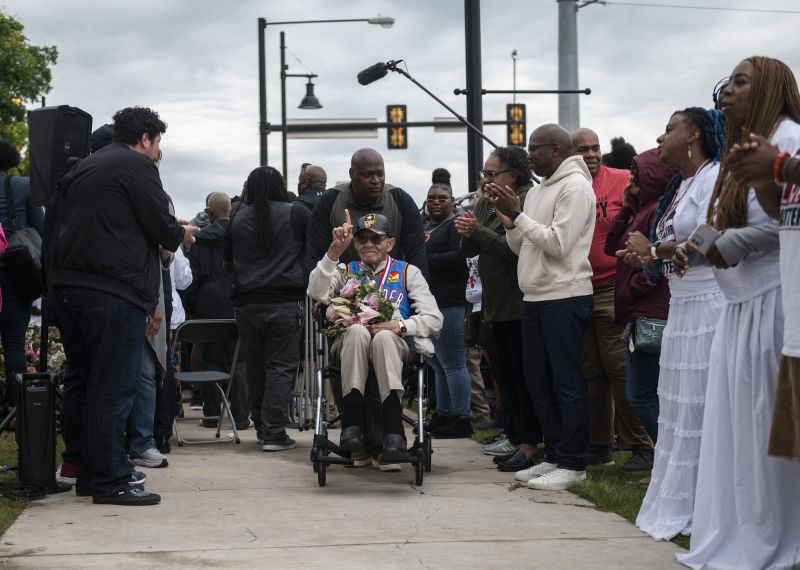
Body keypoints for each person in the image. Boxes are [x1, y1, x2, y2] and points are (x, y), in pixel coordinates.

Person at [677, 57, 800, 570]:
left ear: (769, 87)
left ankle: (777, 540)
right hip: (739, 304)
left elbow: (785, 224)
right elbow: (717, 220)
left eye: (740, 82)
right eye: (725, 84)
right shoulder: (743, 148)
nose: (726, 92)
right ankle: (746, 535)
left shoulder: (789, 139)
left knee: (772, 437)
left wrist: (729, 243)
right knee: (742, 436)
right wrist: (693, 246)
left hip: (774, 302)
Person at [50, 107, 198, 506]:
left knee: (81, 381)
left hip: (68, 288)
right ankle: (111, 479)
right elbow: (160, 226)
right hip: (113, 293)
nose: (156, 154)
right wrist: (181, 232)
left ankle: (83, 468)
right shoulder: (137, 166)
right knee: (113, 386)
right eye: (157, 145)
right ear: (146, 138)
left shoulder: (85, 167)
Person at [619, 107, 725, 540]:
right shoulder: (684, 183)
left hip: (707, 301)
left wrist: (656, 252)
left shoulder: (715, 176)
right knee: (679, 405)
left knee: (701, 405)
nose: (660, 140)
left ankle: (708, 502)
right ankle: (683, 498)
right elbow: (679, 240)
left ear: (695, 133)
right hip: (682, 302)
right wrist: (649, 253)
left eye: (669, 130)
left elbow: (712, 232)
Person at [489, 124, 595, 491]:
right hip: (534, 296)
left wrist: (518, 216)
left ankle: (573, 462)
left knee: (566, 381)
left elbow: (559, 244)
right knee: (538, 380)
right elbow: (525, 247)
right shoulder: (537, 191)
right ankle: (553, 454)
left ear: (556, 150)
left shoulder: (575, 187)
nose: (528, 155)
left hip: (565, 294)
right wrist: (509, 221)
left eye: (534, 149)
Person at [307, 212, 442, 463]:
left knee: (383, 338)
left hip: (395, 347)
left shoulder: (406, 272)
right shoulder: (345, 270)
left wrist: (400, 326)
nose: (368, 244)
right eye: (362, 239)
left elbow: (434, 318)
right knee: (357, 330)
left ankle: (393, 432)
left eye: (376, 239)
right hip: (350, 345)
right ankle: (353, 426)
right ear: (355, 243)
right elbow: (316, 291)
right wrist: (334, 252)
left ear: (389, 243)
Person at [456, 147, 543, 472]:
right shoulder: (484, 201)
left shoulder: (526, 200)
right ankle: (516, 436)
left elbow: (517, 251)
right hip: (493, 304)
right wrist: (467, 233)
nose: (486, 180)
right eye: (485, 174)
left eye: (492, 174)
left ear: (513, 175)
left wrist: (478, 232)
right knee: (504, 377)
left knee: (523, 378)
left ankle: (529, 443)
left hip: (520, 303)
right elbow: (472, 247)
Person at [572, 128, 654, 471]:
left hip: (612, 286)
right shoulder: (569, 187)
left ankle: (641, 445)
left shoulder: (620, 178)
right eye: (583, 150)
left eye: (595, 148)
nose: (591, 154)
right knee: (591, 371)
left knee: (618, 367)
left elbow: (647, 210)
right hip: (577, 288)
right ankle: (599, 444)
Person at [224, 166, 308, 452]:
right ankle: (274, 432)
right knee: (281, 367)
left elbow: (228, 262)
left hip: (247, 303)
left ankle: (261, 427)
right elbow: (310, 253)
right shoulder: (296, 213)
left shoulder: (237, 219)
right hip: (285, 301)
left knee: (256, 367)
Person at [604, 149, 677, 451]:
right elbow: (612, 246)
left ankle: (668, 456)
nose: (631, 178)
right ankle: (666, 460)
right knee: (645, 393)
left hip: (649, 310)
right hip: (638, 310)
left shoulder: (659, 212)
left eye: (636, 173)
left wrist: (630, 291)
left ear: (652, 176)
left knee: (642, 395)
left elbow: (657, 264)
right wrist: (626, 207)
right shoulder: (642, 208)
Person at [306, 148, 427, 276]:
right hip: (341, 287)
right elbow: (315, 254)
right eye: (367, 175)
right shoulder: (330, 201)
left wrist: (414, 292)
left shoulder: (401, 200)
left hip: (391, 288)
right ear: (351, 174)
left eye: (380, 174)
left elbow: (417, 254)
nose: (376, 180)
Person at [422, 168, 471, 438]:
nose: (437, 202)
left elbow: (459, 259)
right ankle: (444, 412)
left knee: (454, 362)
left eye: (442, 198)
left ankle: (462, 418)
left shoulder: (456, 225)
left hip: (450, 301)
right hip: (430, 302)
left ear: (451, 201)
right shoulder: (426, 226)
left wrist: (425, 261)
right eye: (432, 198)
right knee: (438, 363)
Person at [0, 139, 44, 409]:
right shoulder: (24, 186)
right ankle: (15, 409)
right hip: (13, 275)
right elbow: (42, 230)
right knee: (14, 343)